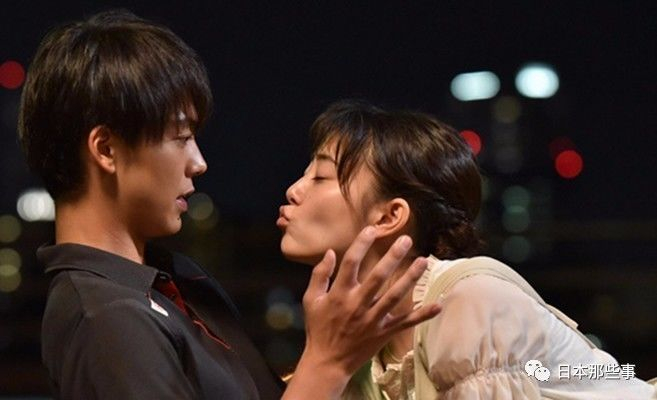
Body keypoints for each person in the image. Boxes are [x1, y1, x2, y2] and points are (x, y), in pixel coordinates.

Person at [18, 11, 441, 400]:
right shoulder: (106, 319)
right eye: (181, 137)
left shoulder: (176, 281)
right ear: (106, 149)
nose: (199, 162)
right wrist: (328, 363)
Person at [278, 99, 657, 399]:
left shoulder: (468, 300)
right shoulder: (360, 341)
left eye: (321, 176)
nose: (293, 190)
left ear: (390, 216)